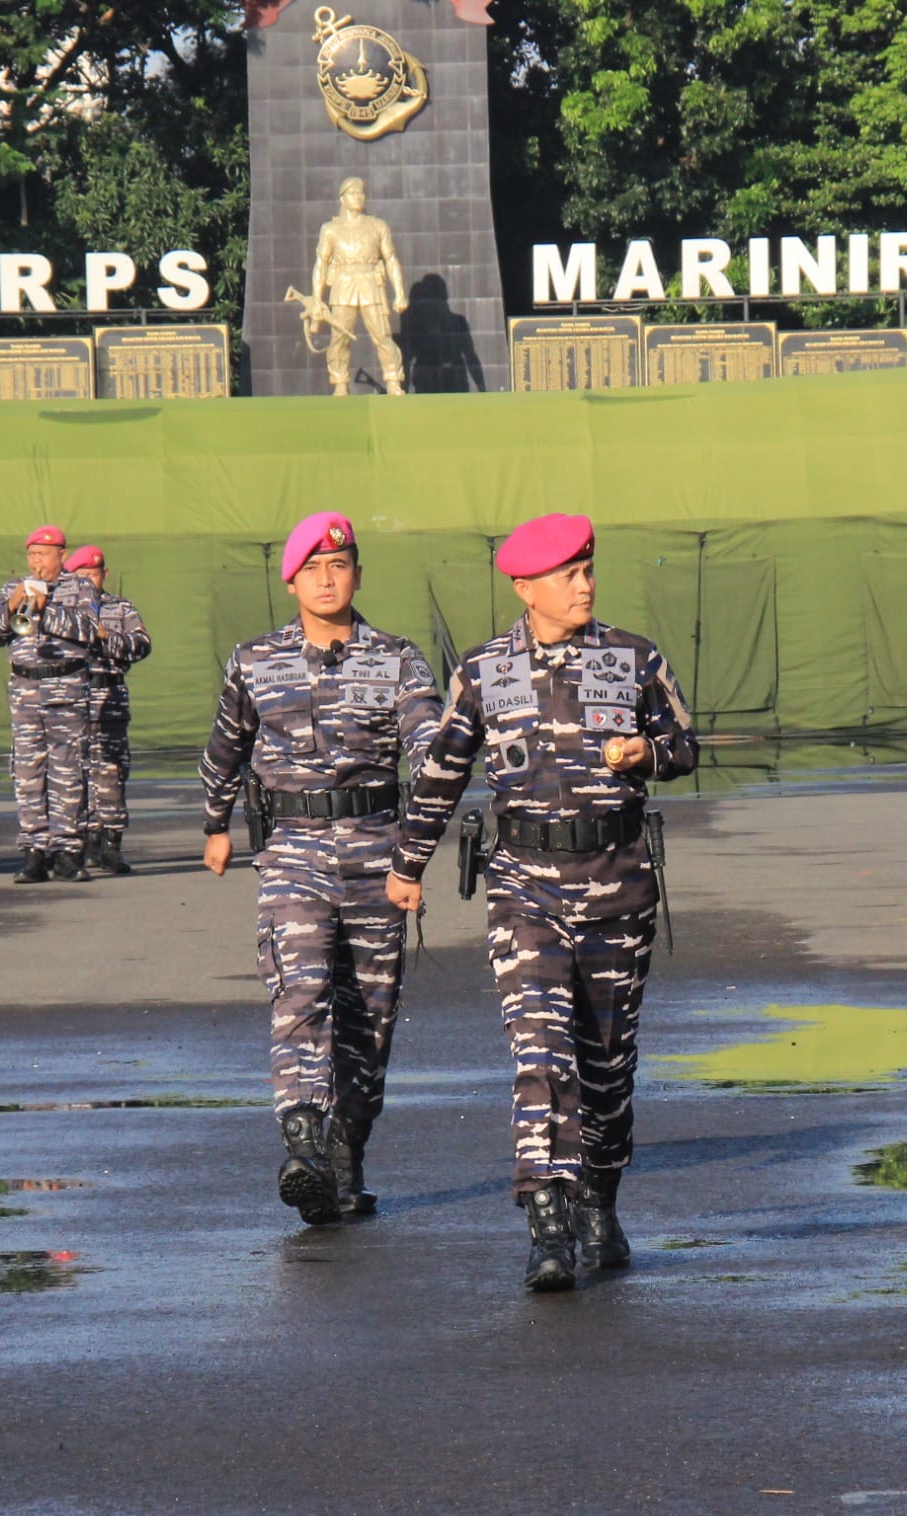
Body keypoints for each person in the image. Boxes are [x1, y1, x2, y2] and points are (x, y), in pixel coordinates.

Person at [388, 513, 698, 1292]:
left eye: (589, 570)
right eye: (567, 575)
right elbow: (442, 773)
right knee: (541, 1056)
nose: (585, 585)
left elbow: (687, 746)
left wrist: (647, 753)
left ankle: (601, 1203)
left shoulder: (634, 658)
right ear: (526, 588)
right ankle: (547, 1225)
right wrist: (406, 863)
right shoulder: (485, 670)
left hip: (618, 882)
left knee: (606, 1065)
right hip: (526, 887)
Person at [202, 513, 440, 1225]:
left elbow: (427, 739)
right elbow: (226, 746)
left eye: (340, 566)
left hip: (377, 851)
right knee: (299, 991)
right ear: (293, 580)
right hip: (294, 851)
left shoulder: (397, 658)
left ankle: (344, 1157)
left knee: (370, 1016)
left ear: (358, 575)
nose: (328, 579)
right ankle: (302, 1143)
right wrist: (215, 824)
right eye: (314, 569)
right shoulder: (255, 659)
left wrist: (426, 825)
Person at [0, 525, 102, 883]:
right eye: (32, 555)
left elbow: (88, 630)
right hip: (25, 691)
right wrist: (12, 603)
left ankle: (67, 850)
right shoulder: (12, 588)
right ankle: (34, 850)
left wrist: (45, 608)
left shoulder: (79, 587)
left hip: (65, 687)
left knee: (67, 771)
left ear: (61, 556)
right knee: (28, 772)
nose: (37, 562)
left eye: (43, 555)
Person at [71, 545, 151, 874]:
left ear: (105, 574)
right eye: (82, 575)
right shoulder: (60, 609)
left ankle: (110, 844)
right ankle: (82, 842)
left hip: (109, 693)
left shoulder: (121, 608)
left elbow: (141, 644)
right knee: (74, 773)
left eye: (93, 574)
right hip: (71, 697)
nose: (89, 581)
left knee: (112, 771)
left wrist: (108, 638)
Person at [312, 176, 409, 396]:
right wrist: (317, 299)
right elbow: (321, 263)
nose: (359, 196)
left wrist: (400, 292)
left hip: (371, 284)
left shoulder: (377, 226)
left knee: (382, 336)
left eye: (361, 192)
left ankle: (393, 379)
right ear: (342, 197)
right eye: (353, 192)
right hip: (342, 285)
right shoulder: (330, 229)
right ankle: (339, 382)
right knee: (340, 337)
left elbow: (391, 258)